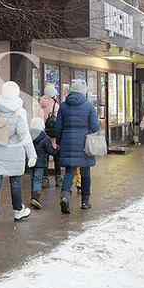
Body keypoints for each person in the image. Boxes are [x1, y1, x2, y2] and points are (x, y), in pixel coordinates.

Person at [0, 81, 37, 231]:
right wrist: (32, 154)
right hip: (14, 153)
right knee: (16, 183)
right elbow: (24, 135)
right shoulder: (20, 112)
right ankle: (18, 211)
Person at [56, 78, 100, 213]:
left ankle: (65, 196)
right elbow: (95, 127)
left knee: (70, 171)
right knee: (85, 172)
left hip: (67, 142)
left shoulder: (63, 106)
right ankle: (85, 202)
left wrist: (59, 141)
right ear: (83, 92)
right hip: (84, 143)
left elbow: (58, 127)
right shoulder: (88, 106)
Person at [29, 117, 57, 210]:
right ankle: (35, 198)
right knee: (38, 180)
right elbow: (50, 151)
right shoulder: (45, 137)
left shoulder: (28, 136)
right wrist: (57, 150)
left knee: (33, 179)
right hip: (40, 163)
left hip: (30, 162)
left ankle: (32, 196)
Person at [38, 84, 61, 187]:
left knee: (45, 156)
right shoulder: (55, 105)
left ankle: (45, 179)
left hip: (43, 133)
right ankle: (58, 178)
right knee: (56, 155)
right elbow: (58, 120)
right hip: (54, 135)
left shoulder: (40, 104)